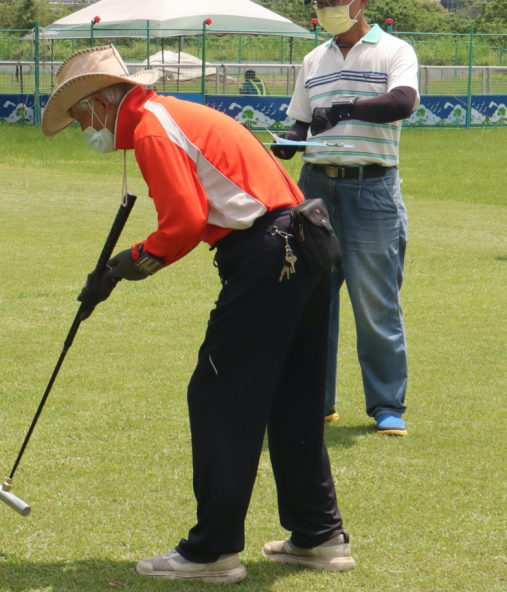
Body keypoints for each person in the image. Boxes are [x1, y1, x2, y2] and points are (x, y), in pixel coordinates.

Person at [43, 45, 353, 583]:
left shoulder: (151, 129)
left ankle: (212, 551)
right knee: (292, 397)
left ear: (100, 103)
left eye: (80, 117)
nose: (83, 128)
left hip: (268, 253)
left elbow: (183, 223)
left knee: (218, 395)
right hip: (306, 244)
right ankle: (318, 535)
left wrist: (126, 265)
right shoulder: (170, 114)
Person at [272, 0, 417, 436]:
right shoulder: (313, 60)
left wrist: (347, 108)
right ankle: (318, 402)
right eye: (319, 4)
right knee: (313, 300)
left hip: (371, 188)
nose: (326, 11)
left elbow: (403, 102)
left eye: (335, 1)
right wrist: (288, 144)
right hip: (315, 189)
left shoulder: (394, 50)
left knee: (375, 303)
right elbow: (301, 122)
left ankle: (386, 405)